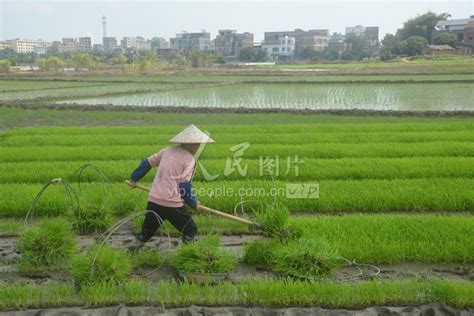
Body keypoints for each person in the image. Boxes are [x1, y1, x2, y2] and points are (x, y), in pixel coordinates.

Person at [127, 124, 214, 250]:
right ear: (191, 144)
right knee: (190, 229)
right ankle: (188, 254)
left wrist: (134, 178)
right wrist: (193, 202)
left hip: (154, 200)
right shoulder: (190, 159)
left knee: (146, 232)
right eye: (198, 144)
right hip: (172, 204)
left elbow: (147, 163)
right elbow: (184, 185)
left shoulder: (166, 151)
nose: (200, 147)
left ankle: (132, 250)